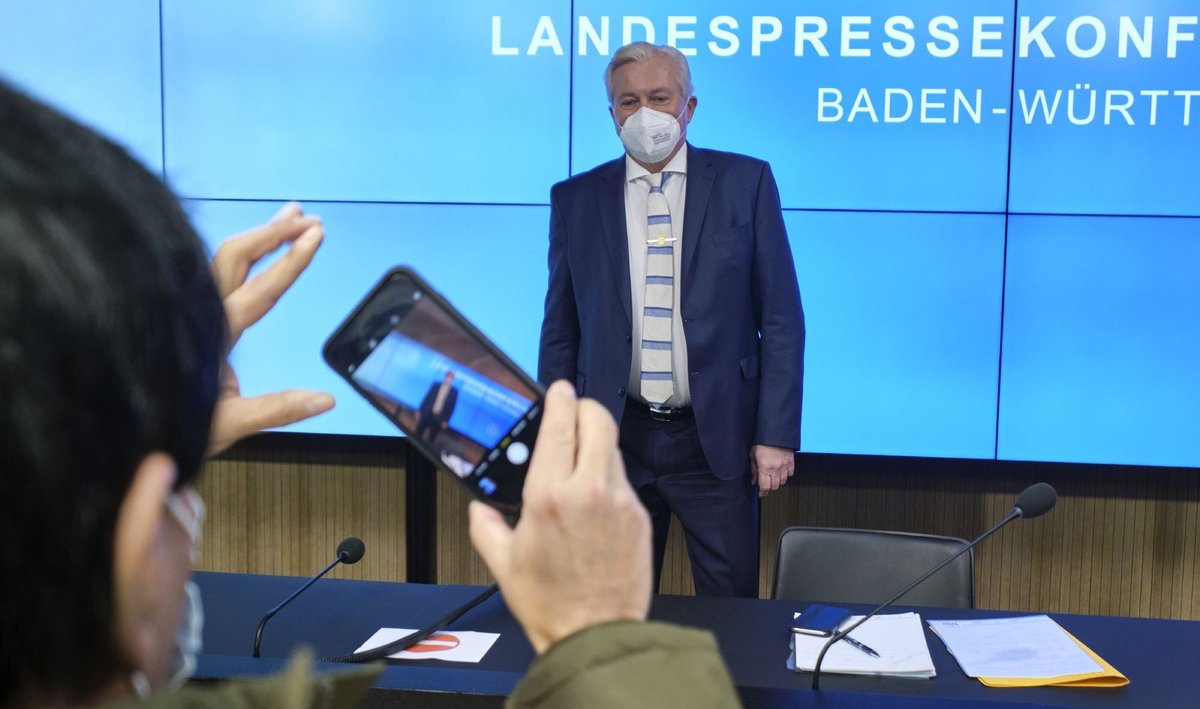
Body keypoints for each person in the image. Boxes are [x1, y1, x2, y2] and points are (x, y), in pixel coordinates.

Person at [0, 82, 739, 708]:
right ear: (132, 552)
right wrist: (599, 637)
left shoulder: (742, 183)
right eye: (177, 496)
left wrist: (148, 409)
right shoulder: (579, 201)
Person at [538, 42, 805, 598]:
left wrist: (775, 435)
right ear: (612, 113)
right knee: (616, 609)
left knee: (731, 612)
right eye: (628, 101)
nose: (645, 114)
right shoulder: (575, 200)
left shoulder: (745, 183)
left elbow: (780, 317)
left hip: (716, 439)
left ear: (689, 106)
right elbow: (561, 332)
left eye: (660, 97)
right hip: (615, 439)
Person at [414, 370, 459, 444]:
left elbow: (452, 407)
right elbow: (427, 398)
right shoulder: (436, 385)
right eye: (448, 376)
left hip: (439, 418)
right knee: (418, 433)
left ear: (453, 380)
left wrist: (446, 421)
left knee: (431, 440)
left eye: (451, 378)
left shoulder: (454, 392)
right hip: (427, 413)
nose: (449, 379)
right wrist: (419, 410)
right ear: (445, 376)